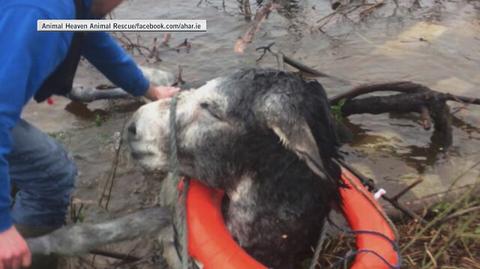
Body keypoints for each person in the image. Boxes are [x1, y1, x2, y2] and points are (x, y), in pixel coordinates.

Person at [0, 0, 179, 268]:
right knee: (52, 173)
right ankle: (22, 259)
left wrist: (149, 90)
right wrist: (3, 228)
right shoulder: (41, 14)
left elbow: (97, 44)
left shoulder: (71, 7)